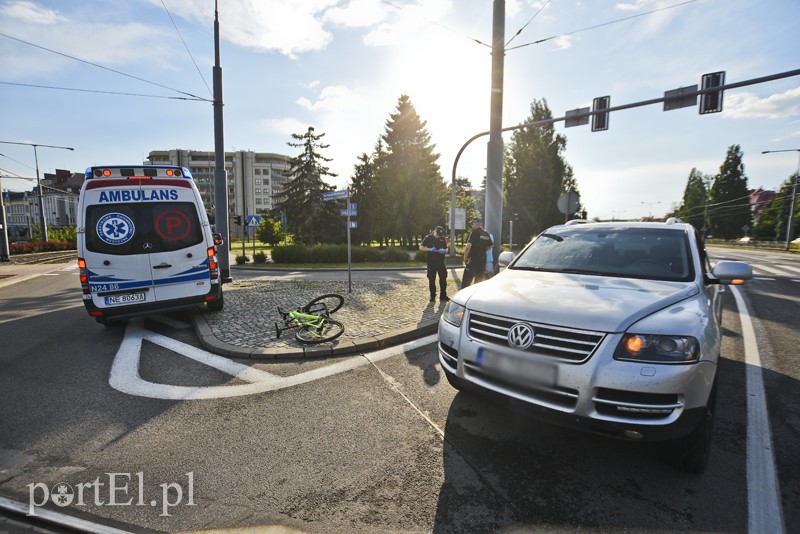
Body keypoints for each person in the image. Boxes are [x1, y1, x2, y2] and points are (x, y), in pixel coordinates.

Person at [419, 226, 449, 301]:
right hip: (431, 262)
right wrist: (429, 249)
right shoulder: (428, 237)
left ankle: (443, 295)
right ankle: (432, 295)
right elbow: (421, 247)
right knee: (432, 279)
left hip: (441, 262)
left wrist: (444, 251)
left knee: (443, 278)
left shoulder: (442, 238)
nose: (438, 236)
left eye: (440, 235)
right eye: (438, 234)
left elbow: (446, 249)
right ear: (434, 231)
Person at [462, 218, 493, 288]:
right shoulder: (486, 234)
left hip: (473, 261)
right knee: (478, 284)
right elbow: (491, 245)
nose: (472, 225)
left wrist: (465, 258)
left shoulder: (474, 233)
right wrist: (483, 250)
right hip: (482, 262)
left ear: (475, 224)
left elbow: (468, 247)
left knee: (465, 284)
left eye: (472, 224)